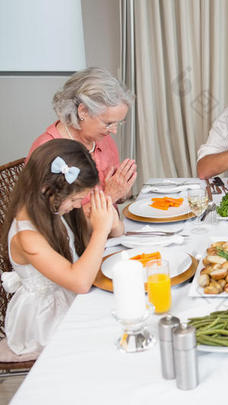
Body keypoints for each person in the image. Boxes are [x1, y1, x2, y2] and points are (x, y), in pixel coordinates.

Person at [1, 139, 123, 355]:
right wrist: (101, 231)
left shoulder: (53, 209)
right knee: (112, 333)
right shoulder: (26, 236)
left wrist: (110, 224)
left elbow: (115, 234)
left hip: (68, 296)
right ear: (48, 190)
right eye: (76, 199)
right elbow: (80, 283)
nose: (78, 205)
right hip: (44, 320)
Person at [27, 67, 136, 204]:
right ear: (83, 111)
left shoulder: (104, 140)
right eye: (108, 123)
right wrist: (110, 196)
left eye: (118, 123)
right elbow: (54, 222)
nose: (114, 131)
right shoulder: (47, 151)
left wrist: (123, 190)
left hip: (111, 224)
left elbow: (118, 194)